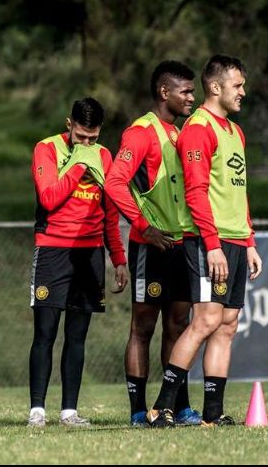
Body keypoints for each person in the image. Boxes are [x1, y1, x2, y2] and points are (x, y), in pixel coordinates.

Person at [147, 54, 263, 428]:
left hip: (234, 240)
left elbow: (239, 192)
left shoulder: (235, 131)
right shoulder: (198, 128)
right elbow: (196, 193)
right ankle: (161, 406)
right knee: (205, 319)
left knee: (227, 323)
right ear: (216, 87)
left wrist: (249, 241)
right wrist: (212, 244)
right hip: (205, 240)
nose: (243, 91)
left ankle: (213, 413)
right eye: (238, 85)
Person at [106, 61, 202, 427]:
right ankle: (136, 410)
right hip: (151, 245)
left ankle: (179, 406)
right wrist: (143, 227)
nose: (191, 97)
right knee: (143, 328)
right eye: (186, 91)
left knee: (180, 326)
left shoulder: (180, 134)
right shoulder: (140, 132)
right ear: (165, 93)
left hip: (181, 245)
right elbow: (115, 183)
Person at [28, 97, 128, 428]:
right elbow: (49, 198)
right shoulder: (47, 149)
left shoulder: (104, 156)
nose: (87, 144)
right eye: (81, 136)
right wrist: (79, 166)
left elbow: (110, 211)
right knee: (45, 332)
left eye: (93, 138)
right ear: (68, 124)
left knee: (77, 335)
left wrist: (118, 258)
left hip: (90, 253)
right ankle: (37, 410)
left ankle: (69, 411)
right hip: (53, 249)